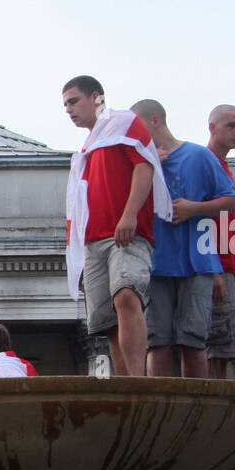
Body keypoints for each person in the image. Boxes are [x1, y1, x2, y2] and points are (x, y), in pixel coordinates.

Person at [63, 76, 171, 376]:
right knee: (108, 321)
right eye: (65, 105)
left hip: (125, 233)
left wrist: (130, 214)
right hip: (92, 241)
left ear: (95, 97)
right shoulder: (87, 147)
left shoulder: (124, 122)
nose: (69, 110)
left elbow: (144, 165)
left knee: (126, 295)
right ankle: (124, 385)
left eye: (74, 101)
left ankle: (137, 380)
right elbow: (78, 205)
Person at [131, 99, 235, 377]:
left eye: (137, 126)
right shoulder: (141, 162)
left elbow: (231, 200)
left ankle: (196, 414)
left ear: (155, 120)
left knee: (194, 341)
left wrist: (195, 208)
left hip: (198, 262)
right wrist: (149, 167)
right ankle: (160, 412)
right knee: (158, 341)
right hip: (155, 263)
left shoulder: (199, 156)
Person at [205, 105, 235, 377]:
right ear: (212, 127)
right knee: (218, 346)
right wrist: (213, 267)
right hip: (220, 266)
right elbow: (200, 222)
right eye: (231, 125)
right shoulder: (205, 163)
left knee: (226, 344)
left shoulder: (223, 166)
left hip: (229, 266)